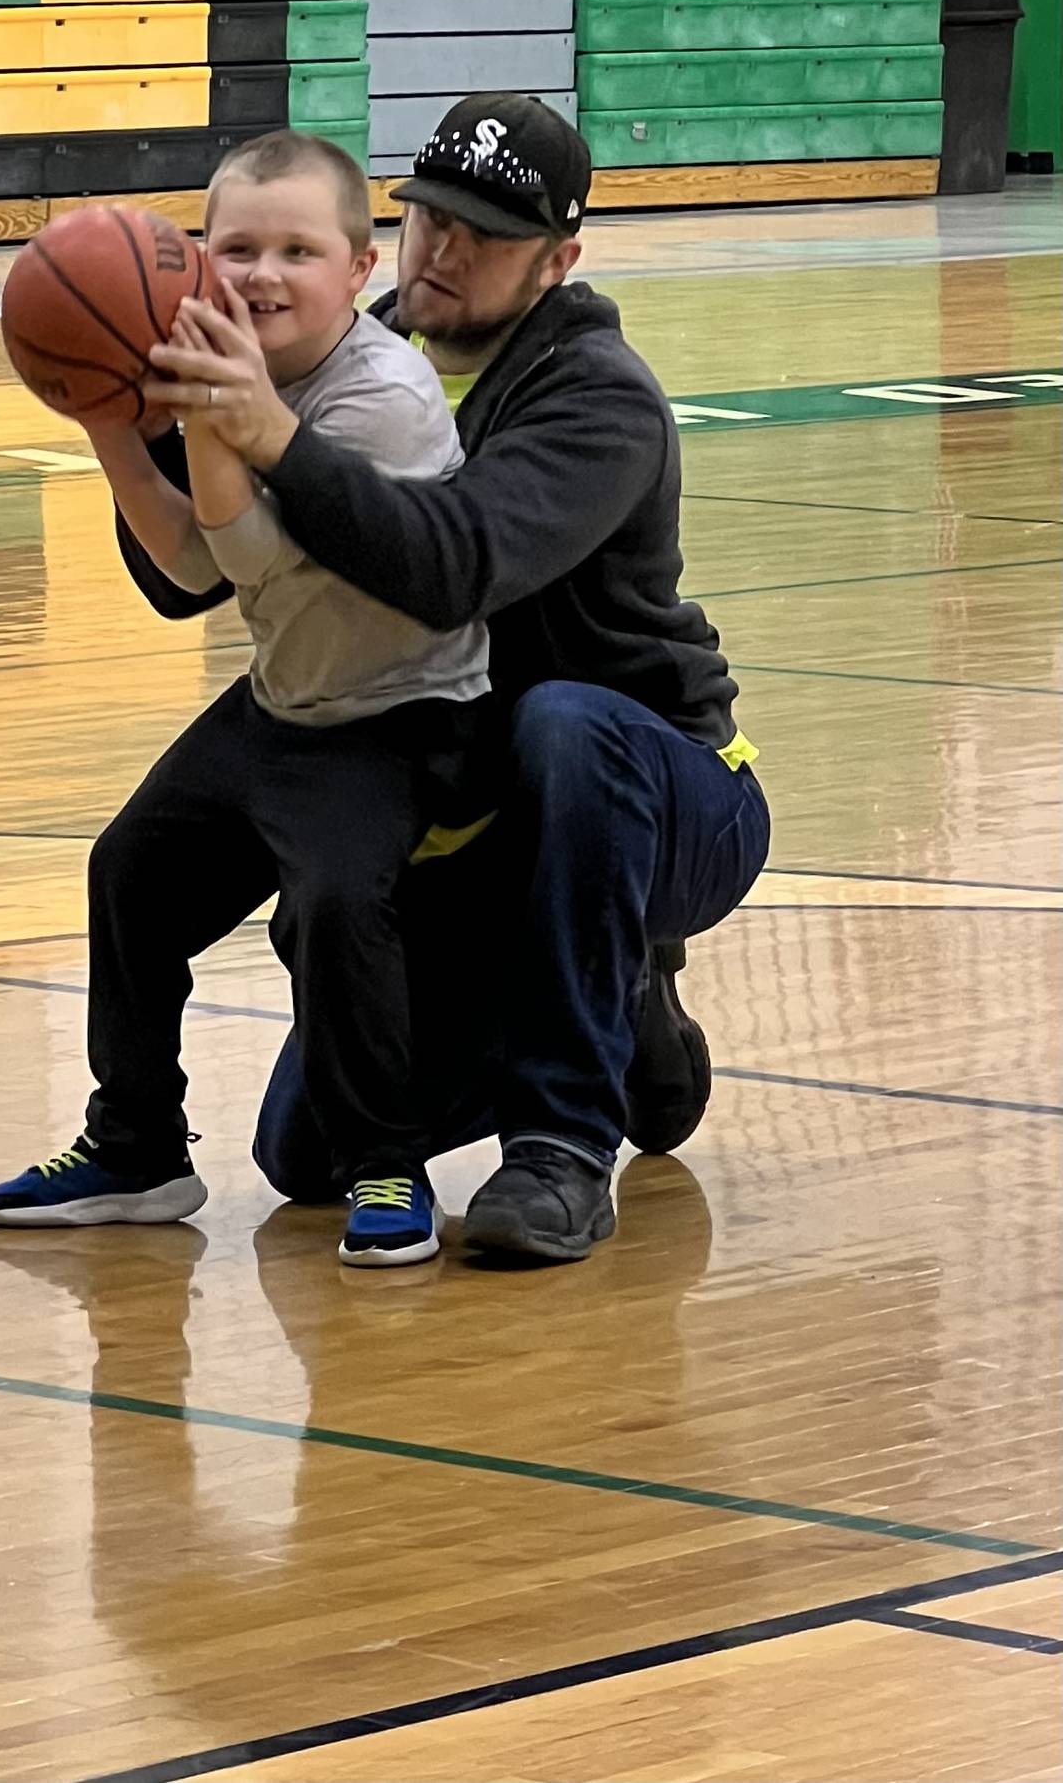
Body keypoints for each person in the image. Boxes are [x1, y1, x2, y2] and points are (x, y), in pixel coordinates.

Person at [146, 95, 770, 1264]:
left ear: (559, 259)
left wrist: (271, 432)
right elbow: (194, 581)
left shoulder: (599, 396)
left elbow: (454, 567)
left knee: (565, 725)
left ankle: (563, 1149)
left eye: (486, 231)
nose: (445, 247)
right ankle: (623, 1002)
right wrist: (144, 426)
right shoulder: (364, 340)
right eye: (431, 216)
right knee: (309, 1154)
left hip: (669, 780)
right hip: (473, 776)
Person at [0, 130, 494, 1266]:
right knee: (131, 872)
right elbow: (186, 570)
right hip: (288, 699)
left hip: (405, 716)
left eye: (298, 250)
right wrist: (108, 420)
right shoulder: (205, 363)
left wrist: (211, 414)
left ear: (360, 270)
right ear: (196, 253)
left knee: (334, 907)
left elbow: (248, 559)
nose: (262, 273)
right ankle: (139, 1145)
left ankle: (385, 1164)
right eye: (237, 245)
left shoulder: (383, 399)